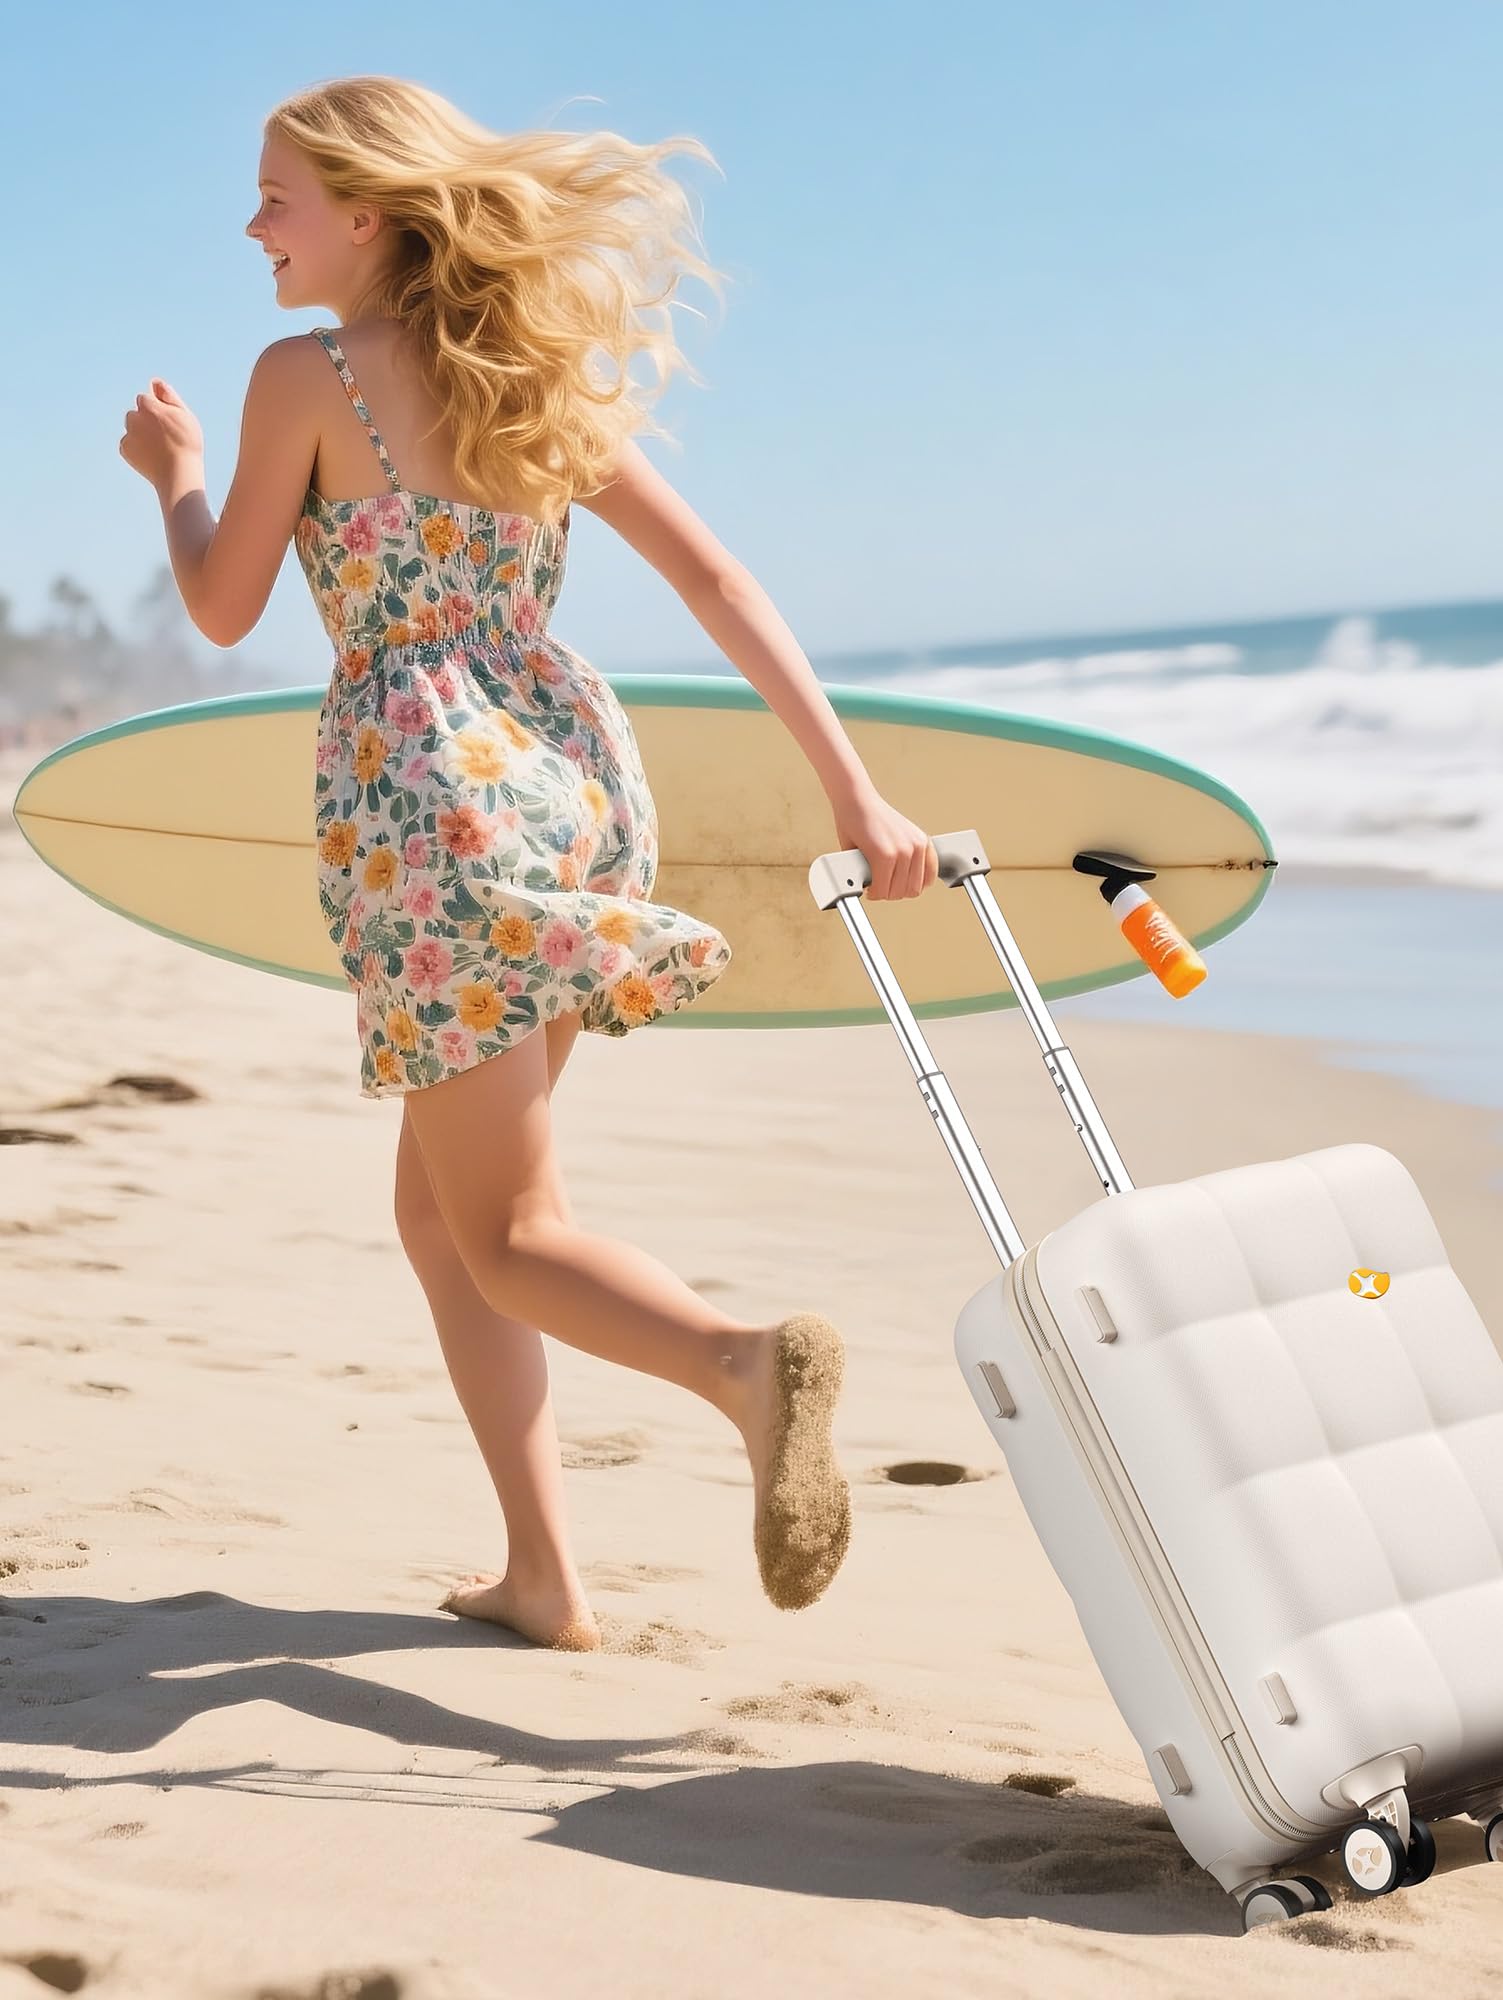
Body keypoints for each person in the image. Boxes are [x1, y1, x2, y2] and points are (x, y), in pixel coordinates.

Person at [117, 75, 939, 1650]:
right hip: (568, 774)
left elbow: (223, 609)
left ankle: (741, 1366)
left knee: (508, 1231)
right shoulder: (525, 372)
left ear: (367, 211)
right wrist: (854, 791)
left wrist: (178, 480)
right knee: (445, 1223)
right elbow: (716, 575)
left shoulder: (304, 377)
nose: (254, 223)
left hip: (430, 815)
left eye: (277, 195)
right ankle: (545, 1575)